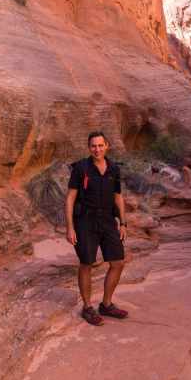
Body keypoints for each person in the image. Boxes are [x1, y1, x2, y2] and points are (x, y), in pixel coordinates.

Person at [65, 131, 128, 326]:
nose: (97, 149)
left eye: (100, 145)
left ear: (107, 146)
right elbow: (70, 198)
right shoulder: (81, 169)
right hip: (85, 222)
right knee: (87, 264)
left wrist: (123, 222)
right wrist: (70, 227)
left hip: (108, 220)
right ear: (89, 147)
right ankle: (87, 307)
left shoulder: (114, 169)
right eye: (93, 146)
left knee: (117, 262)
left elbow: (118, 197)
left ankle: (106, 304)